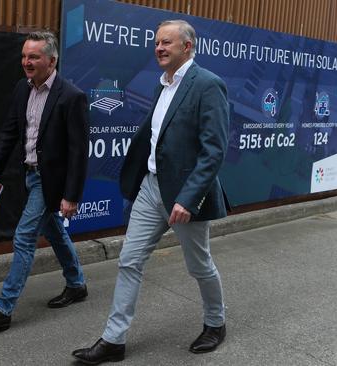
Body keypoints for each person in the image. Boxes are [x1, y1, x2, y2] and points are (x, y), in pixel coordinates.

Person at [72, 19, 230, 363]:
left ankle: (215, 323)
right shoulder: (162, 86)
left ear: (187, 47)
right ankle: (114, 340)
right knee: (129, 260)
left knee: (199, 264)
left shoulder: (207, 85)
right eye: (157, 42)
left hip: (185, 194)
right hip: (151, 187)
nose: (159, 48)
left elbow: (214, 151)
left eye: (167, 43)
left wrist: (189, 198)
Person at [0, 31, 90, 332]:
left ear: (52, 60)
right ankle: (76, 284)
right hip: (29, 175)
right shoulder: (22, 89)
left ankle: (3, 309)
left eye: (34, 56)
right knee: (55, 232)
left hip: (51, 182)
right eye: (24, 56)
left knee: (23, 237)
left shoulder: (72, 96)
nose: (27, 62)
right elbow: (9, 133)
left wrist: (71, 195)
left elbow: (78, 153)